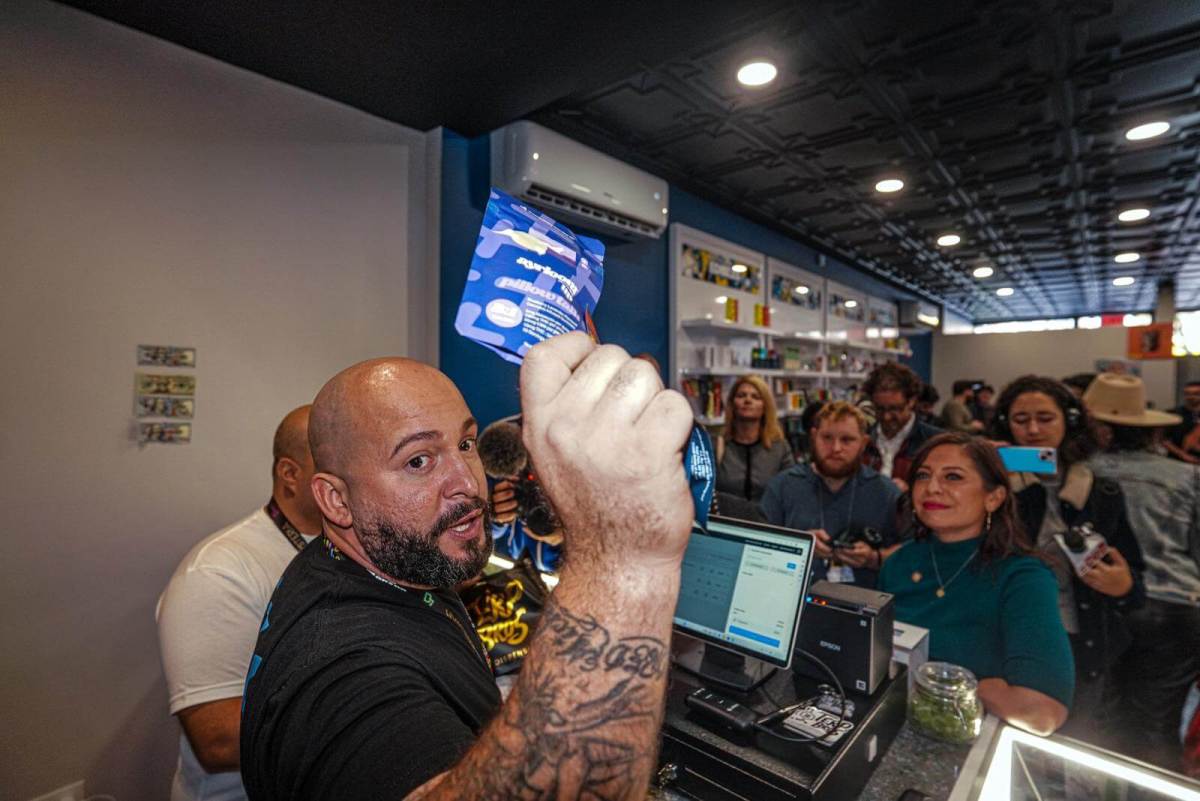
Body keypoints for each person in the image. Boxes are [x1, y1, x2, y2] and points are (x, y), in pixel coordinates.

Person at [240, 333, 695, 800]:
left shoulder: (385, 567)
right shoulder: (341, 669)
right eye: (418, 460)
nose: (467, 482)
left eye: (466, 443)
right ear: (336, 500)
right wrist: (620, 559)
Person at [157, 405, 321, 801]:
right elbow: (217, 742)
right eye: (331, 459)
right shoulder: (216, 572)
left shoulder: (345, 551)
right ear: (289, 474)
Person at [879, 433, 1074, 736]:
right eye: (922, 476)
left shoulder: (1023, 577)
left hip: (973, 747)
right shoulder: (898, 564)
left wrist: (962, 688)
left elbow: (1041, 711)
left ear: (993, 497)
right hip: (892, 731)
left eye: (953, 477)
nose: (932, 488)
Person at [993, 376, 1145, 743]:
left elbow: (1135, 581)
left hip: (1085, 644)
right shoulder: (994, 488)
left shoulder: (1102, 491)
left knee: (1078, 753)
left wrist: (1123, 585)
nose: (1032, 429)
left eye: (1045, 418)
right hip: (1011, 643)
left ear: (1069, 421)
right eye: (1020, 419)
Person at [1084, 373, 1200, 771]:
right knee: (1156, 726)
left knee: (1099, 720)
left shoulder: (1078, 472)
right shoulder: (1187, 476)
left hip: (1099, 604)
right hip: (1176, 608)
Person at [761, 401, 901, 587]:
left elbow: (913, 551)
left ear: (864, 443)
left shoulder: (886, 492)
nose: (835, 448)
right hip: (796, 603)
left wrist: (874, 558)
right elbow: (757, 550)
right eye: (827, 438)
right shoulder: (783, 487)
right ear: (813, 436)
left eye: (847, 440)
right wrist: (799, 546)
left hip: (864, 604)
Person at [714, 375, 795, 505]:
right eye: (741, 396)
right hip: (725, 523)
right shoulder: (717, 445)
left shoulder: (779, 449)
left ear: (765, 406)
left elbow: (790, 493)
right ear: (732, 404)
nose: (748, 400)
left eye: (756, 397)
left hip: (766, 523)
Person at [861, 362, 942, 490]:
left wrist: (911, 494)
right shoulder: (862, 440)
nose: (886, 417)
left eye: (895, 409)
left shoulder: (935, 442)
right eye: (880, 409)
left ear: (911, 401)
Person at [1165, 380, 1200, 464]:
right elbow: (1164, 440)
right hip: (1176, 462)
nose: (1191, 397)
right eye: (1187, 394)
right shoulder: (1172, 414)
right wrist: (1183, 455)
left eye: (1196, 394)